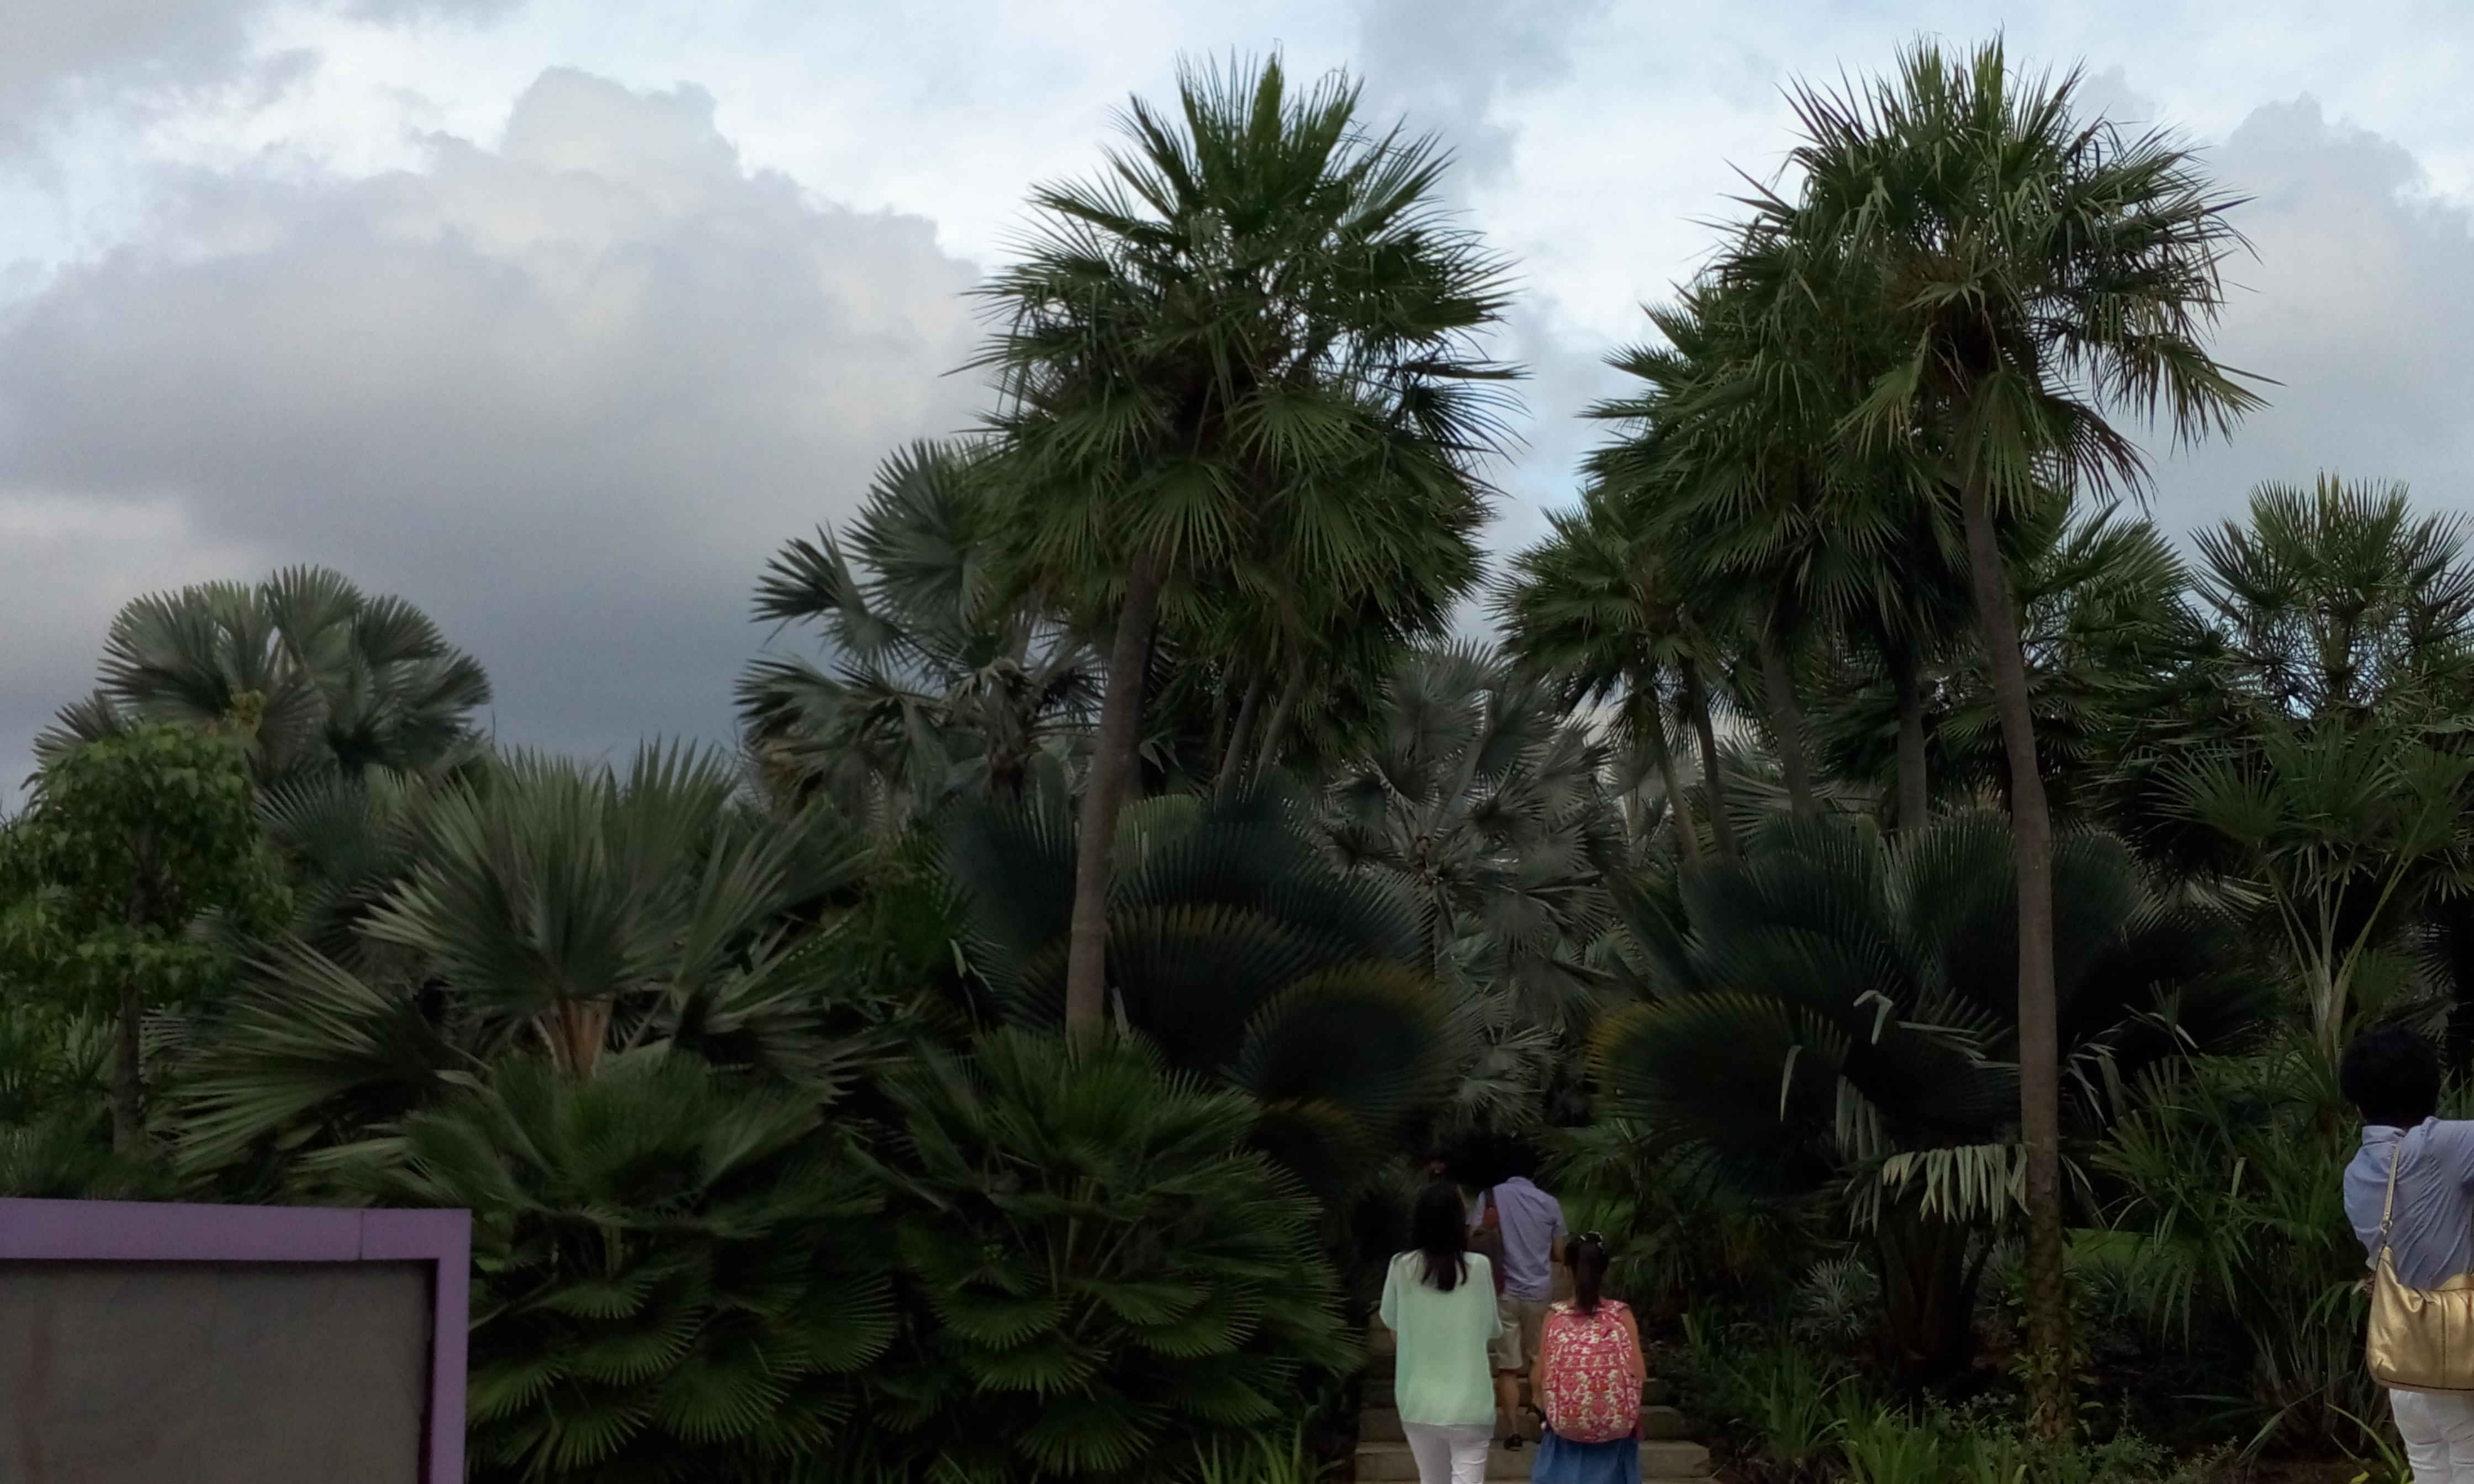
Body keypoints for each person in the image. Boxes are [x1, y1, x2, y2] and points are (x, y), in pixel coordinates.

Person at [2341, 1025, 2474, 1482]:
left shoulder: (2356, 1174)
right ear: (2432, 1091)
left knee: (2430, 1469)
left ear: (2357, 1104)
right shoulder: (2442, 1145)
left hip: (2406, 1362)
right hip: (2460, 1356)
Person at [1382, 1180, 1505, 1484]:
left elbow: (1394, 1329)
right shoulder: (1479, 1268)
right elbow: (1490, 1330)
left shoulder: (1401, 1266)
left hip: (1418, 1402)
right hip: (1470, 1403)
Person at [1529, 1233, 1643, 1484]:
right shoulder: (1622, 1315)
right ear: (1606, 1270)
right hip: (1615, 1435)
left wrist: (1542, 1401)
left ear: (1567, 1271)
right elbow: (1638, 1373)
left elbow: (1539, 1377)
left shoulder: (1555, 1316)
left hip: (1565, 1433)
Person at [1472, 1145, 1567, 1446]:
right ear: (1534, 1172)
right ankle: (1539, 1406)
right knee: (1538, 1357)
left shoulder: (1489, 1199)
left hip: (1502, 1291)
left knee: (1507, 1365)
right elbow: (1559, 1253)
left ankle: (1513, 1431)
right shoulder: (1549, 1203)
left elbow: (1469, 1238)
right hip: (1539, 1292)